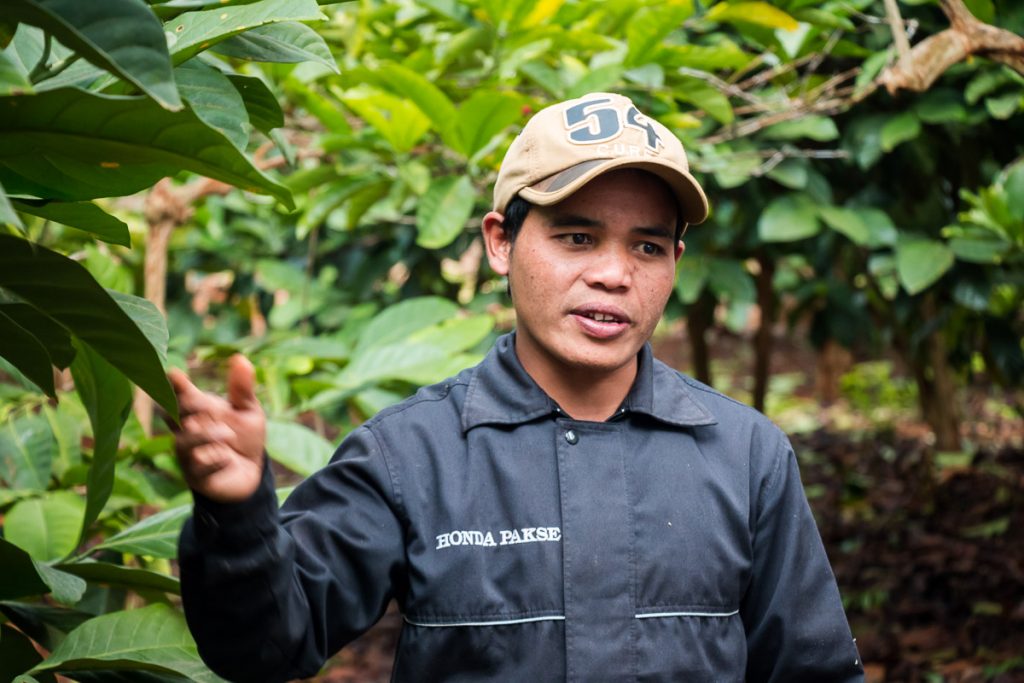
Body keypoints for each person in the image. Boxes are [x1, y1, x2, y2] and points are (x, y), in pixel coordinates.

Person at [173, 92, 864, 682]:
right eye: (576, 237)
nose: (614, 274)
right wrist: (236, 518)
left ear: (675, 261)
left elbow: (813, 667)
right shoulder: (410, 455)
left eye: (647, 246)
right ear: (501, 240)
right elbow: (264, 647)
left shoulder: (746, 456)